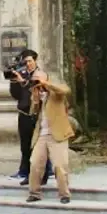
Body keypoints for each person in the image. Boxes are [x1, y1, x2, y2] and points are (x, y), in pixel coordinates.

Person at [25, 69, 73, 204]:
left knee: (59, 165)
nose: (36, 81)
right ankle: (34, 193)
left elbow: (65, 91)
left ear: (46, 79)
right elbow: (32, 113)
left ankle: (64, 194)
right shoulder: (37, 95)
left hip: (57, 134)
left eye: (38, 78)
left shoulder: (56, 92)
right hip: (42, 134)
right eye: (35, 79)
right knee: (35, 163)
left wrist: (46, 84)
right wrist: (35, 100)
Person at [7, 51, 51, 185]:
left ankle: (43, 173)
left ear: (36, 60)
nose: (28, 64)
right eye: (25, 62)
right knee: (25, 145)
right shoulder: (23, 75)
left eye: (30, 61)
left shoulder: (40, 75)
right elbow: (16, 95)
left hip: (37, 115)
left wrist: (23, 82)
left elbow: (37, 89)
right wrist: (14, 81)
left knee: (38, 146)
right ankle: (25, 171)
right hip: (24, 113)